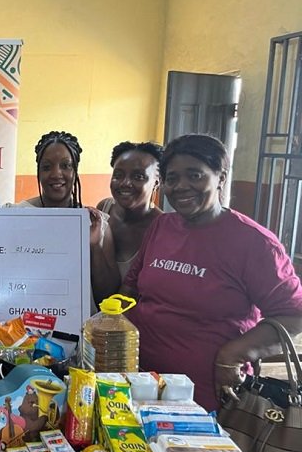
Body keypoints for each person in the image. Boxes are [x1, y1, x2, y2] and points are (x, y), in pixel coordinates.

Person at [122, 134, 302, 412]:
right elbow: (130, 288)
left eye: (195, 175)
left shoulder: (254, 243)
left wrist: (233, 355)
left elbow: (292, 316)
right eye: (172, 178)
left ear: (221, 177)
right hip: (139, 385)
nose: (181, 186)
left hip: (209, 400)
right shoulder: (161, 227)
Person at [13, 130, 119, 305]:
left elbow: (107, 295)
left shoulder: (96, 224)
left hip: (79, 321)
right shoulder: (16, 215)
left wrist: (95, 246)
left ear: (75, 170)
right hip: (24, 320)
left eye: (66, 165)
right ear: (38, 172)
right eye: (47, 167)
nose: (56, 174)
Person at [97, 141, 163, 279]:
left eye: (138, 177)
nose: (125, 183)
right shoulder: (103, 210)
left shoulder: (163, 228)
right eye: (118, 175)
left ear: (157, 183)